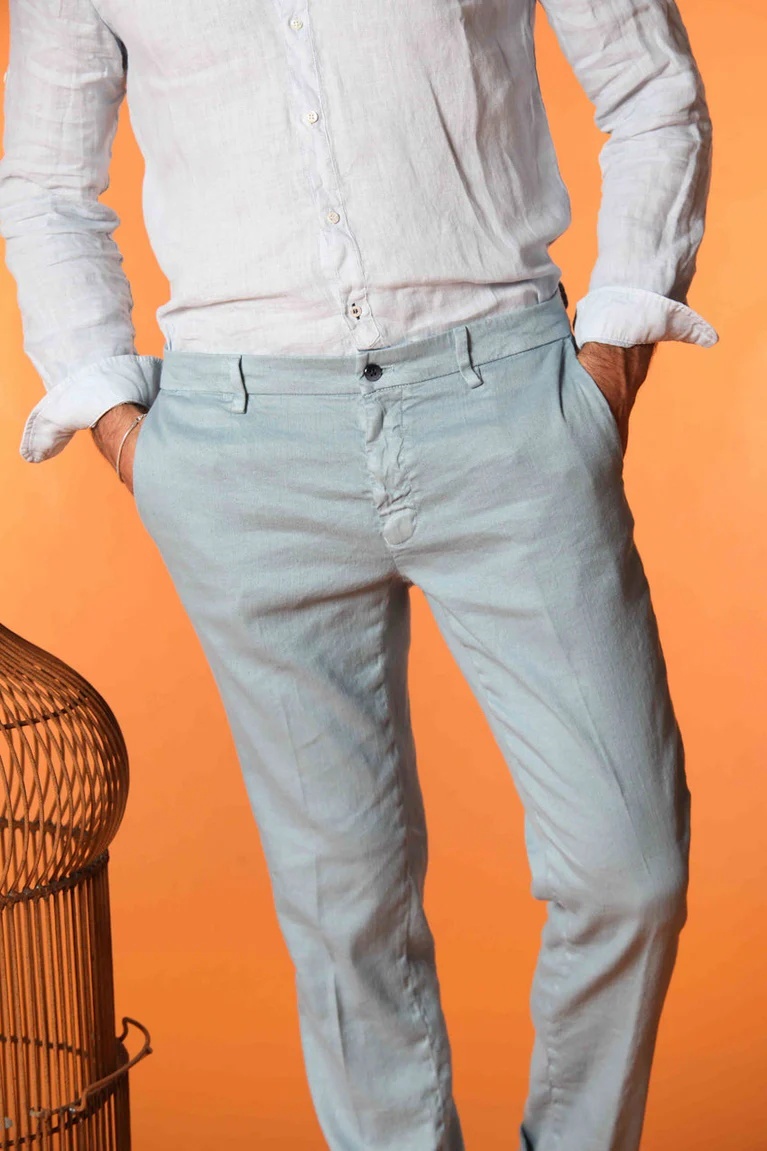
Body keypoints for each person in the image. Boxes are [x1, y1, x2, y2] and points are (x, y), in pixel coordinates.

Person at [0, 2, 717, 1148]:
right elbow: (44, 186)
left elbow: (648, 87)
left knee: (628, 864)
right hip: (244, 447)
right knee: (343, 915)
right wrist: (127, 433)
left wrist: (609, 361)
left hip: (503, 405)